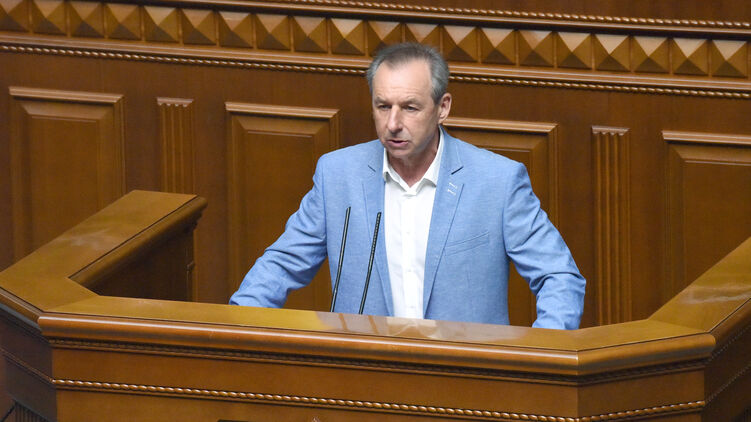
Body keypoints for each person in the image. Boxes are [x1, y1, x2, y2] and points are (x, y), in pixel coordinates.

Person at [230, 43, 585, 329]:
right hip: (366, 377)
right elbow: (281, 264)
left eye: (410, 108)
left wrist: (541, 358)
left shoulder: (498, 181)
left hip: (468, 379)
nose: (393, 123)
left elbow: (559, 276)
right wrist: (236, 327)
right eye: (383, 106)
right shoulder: (338, 175)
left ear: (442, 107)